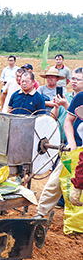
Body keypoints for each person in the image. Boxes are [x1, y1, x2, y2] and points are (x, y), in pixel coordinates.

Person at [35, 68, 83, 218]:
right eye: (73, 79)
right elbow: (68, 121)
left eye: (78, 79)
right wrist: (72, 143)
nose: (74, 81)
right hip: (74, 148)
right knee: (55, 182)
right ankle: (40, 214)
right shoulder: (79, 98)